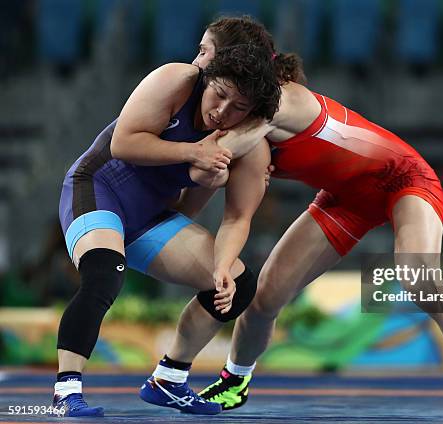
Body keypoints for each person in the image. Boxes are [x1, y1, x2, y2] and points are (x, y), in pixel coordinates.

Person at [181, 17, 443, 421]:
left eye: (204, 51)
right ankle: (234, 381)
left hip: (403, 178)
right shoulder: (239, 112)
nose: (195, 61)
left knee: (419, 276)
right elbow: (212, 168)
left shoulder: (279, 102)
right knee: (264, 299)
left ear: (237, 60)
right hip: (346, 199)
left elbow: (212, 155)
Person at [53, 43, 281, 417]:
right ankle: (66, 390)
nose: (221, 112)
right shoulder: (177, 79)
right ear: (208, 79)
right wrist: (193, 154)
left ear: (253, 114)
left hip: (148, 215)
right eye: (219, 96)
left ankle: (169, 379)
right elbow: (124, 143)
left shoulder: (250, 149)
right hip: (98, 189)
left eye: (238, 107)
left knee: (237, 284)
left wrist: (221, 266)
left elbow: (232, 217)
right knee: (104, 275)